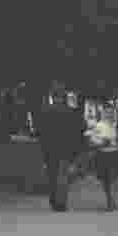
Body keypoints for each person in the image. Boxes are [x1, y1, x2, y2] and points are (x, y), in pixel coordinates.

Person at [37, 83, 88, 212]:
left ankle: (53, 200)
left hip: (50, 149)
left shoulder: (45, 111)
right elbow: (79, 130)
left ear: (53, 97)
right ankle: (62, 202)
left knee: (52, 176)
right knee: (63, 176)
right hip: (66, 149)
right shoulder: (71, 112)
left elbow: (41, 132)